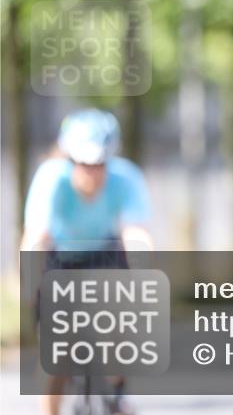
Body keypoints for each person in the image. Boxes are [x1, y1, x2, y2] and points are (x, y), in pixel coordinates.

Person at [21, 108, 153, 415]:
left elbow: (136, 235)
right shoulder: (50, 179)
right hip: (59, 259)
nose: (91, 172)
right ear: (69, 159)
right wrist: (29, 288)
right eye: (83, 163)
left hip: (104, 255)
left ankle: (116, 392)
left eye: (99, 164)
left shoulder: (126, 178)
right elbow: (36, 239)